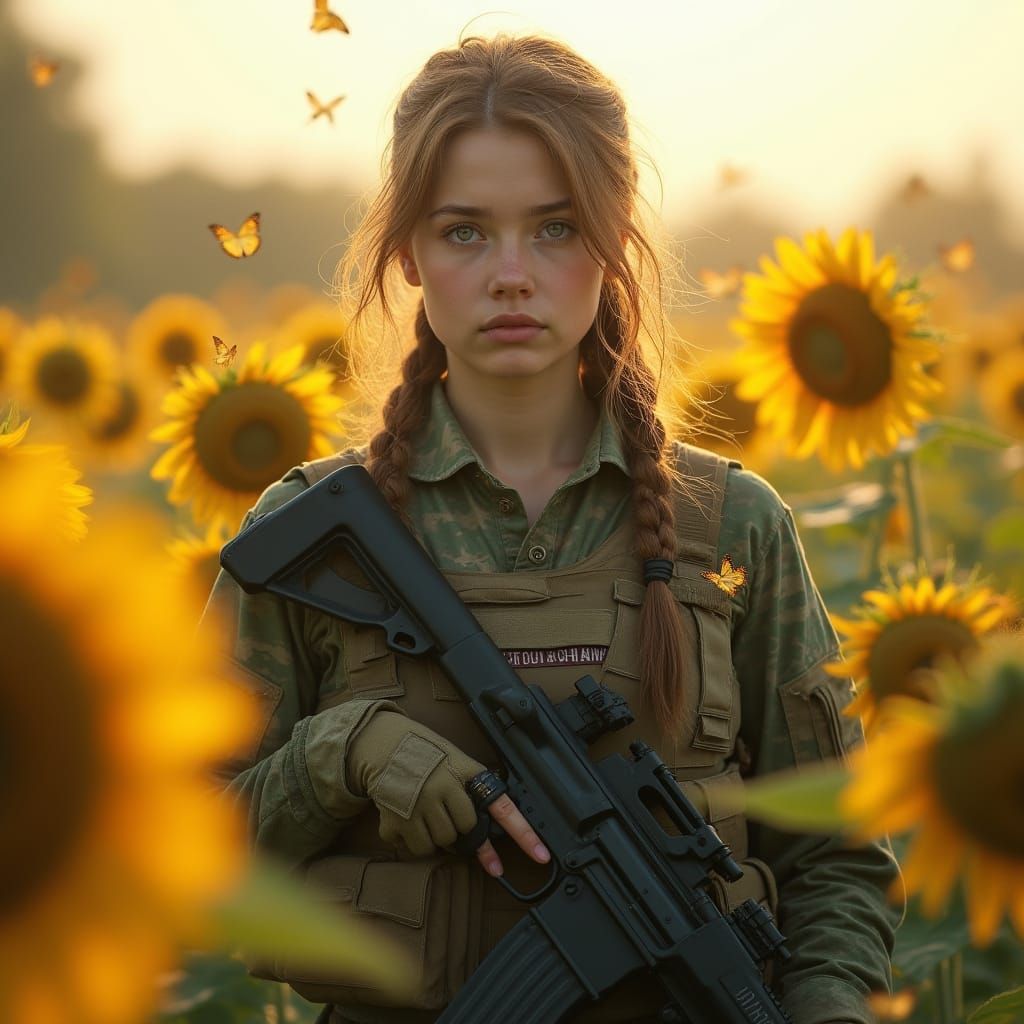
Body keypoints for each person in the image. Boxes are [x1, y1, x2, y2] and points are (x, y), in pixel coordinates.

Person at [204, 30, 903, 1024]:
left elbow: (836, 851)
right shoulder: (314, 534)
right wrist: (342, 753)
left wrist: (825, 1006)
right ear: (405, 250)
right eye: (463, 231)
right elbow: (178, 855)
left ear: (615, 242)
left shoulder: (731, 529)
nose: (511, 274)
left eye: (557, 228)